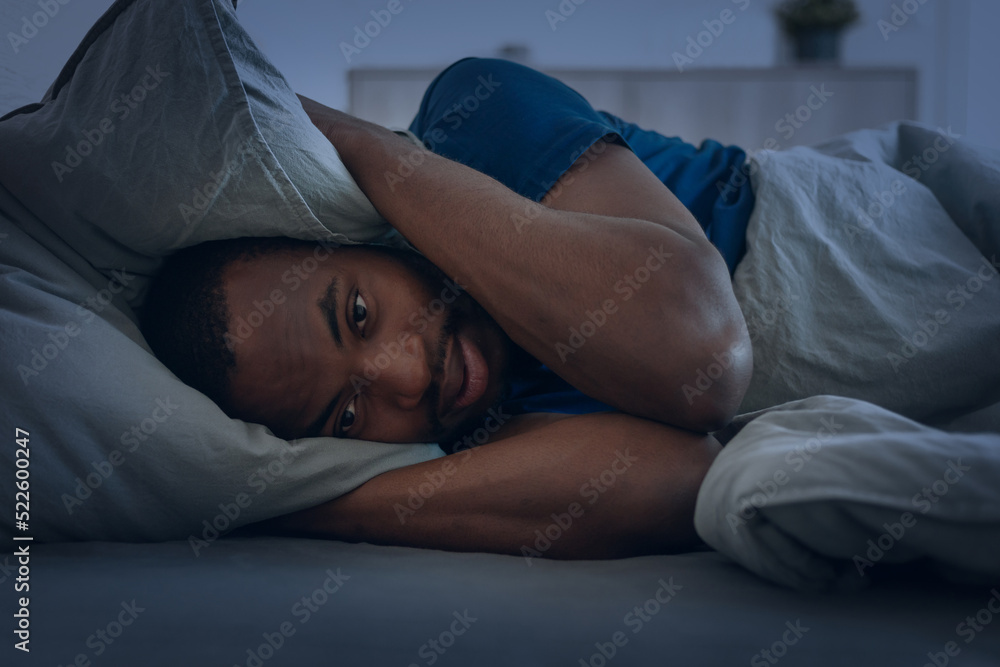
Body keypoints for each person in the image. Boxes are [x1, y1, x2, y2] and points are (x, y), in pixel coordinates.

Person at [140, 57, 756, 558]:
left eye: (358, 313)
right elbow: (682, 480)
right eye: (347, 416)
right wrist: (285, 508)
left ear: (356, 234)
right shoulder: (462, 450)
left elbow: (705, 361)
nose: (408, 380)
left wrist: (348, 141)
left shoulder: (474, 115)